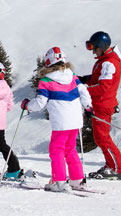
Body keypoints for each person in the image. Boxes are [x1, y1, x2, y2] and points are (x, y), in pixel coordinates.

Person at [21, 46, 92, 192]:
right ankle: (77, 180)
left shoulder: (46, 80)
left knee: (56, 150)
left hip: (61, 121)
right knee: (70, 149)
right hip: (75, 120)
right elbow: (84, 91)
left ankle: (59, 182)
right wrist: (88, 106)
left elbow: (40, 103)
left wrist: (27, 105)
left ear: (48, 62)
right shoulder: (72, 76)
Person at [79, 30, 121, 180]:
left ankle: (118, 169)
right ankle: (111, 165)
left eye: (94, 48)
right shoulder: (105, 60)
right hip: (100, 103)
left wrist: (83, 91)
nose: (93, 52)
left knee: (103, 139)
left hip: (102, 104)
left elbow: (103, 87)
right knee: (101, 138)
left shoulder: (109, 63)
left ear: (102, 46)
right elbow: (98, 77)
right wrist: (84, 79)